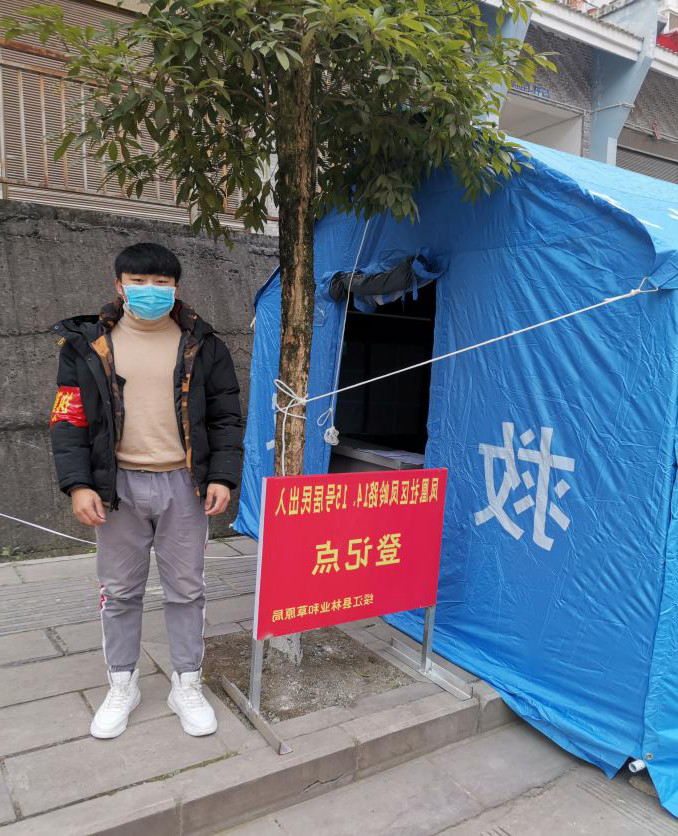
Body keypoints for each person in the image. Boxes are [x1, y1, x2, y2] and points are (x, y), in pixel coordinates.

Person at [49, 242, 243, 739]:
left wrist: (221, 476)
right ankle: (123, 683)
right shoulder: (87, 345)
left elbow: (224, 417)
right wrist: (78, 484)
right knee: (118, 592)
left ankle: (186, 683)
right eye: (139, 281)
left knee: (187, 590)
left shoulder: (204, 344)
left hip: (185, 485)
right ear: (119, 285)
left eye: (162, 283)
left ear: (176, 288)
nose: (150, 290)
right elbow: (69, 420)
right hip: (116, 487)